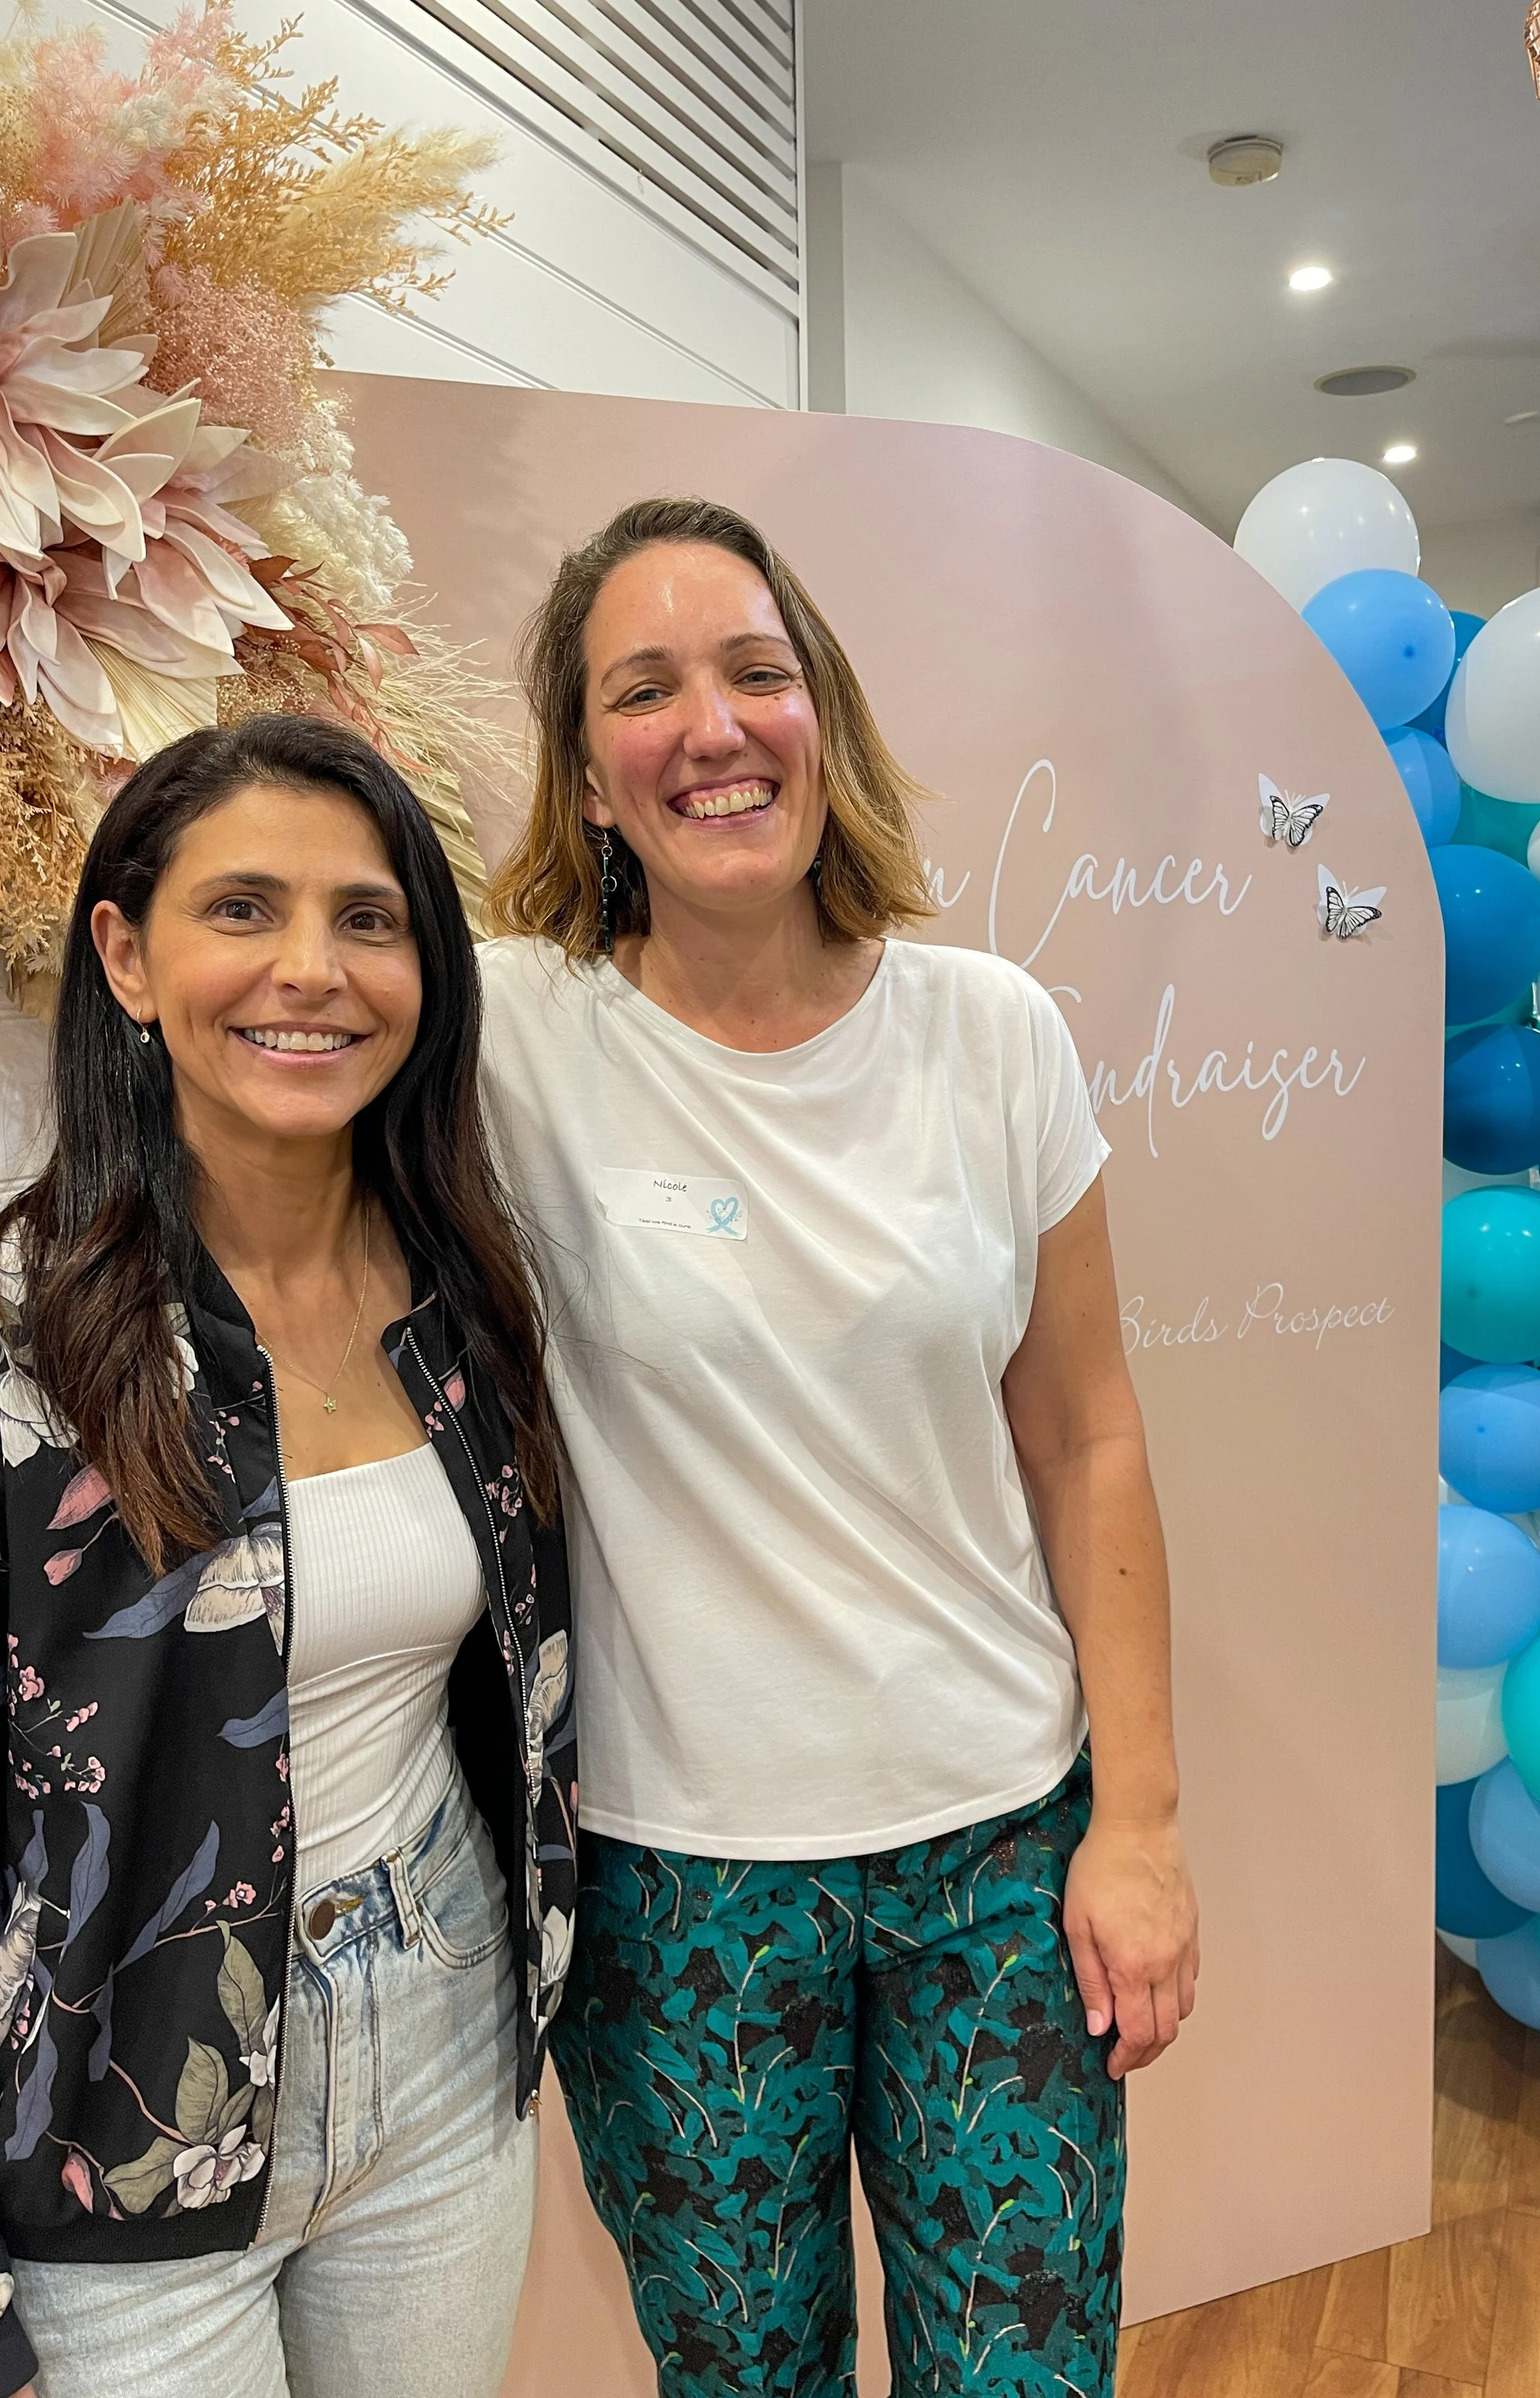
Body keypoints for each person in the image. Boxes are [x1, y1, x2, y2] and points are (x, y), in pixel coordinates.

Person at [476, 496, 1199, 2397]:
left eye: (755, 672)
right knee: (743, 2377)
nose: (712, 727)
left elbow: (1087, 1437)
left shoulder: (993, 1034)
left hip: (997, 1843)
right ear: (587, 774)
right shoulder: (507, 1040)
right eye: (644, 690)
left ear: (823, 717)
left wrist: (1138, 1824)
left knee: (1024, 2369)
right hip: (675, 1884)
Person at [0, 716, 573, 2398]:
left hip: (439, 2035)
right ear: (126, 957)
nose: (312, 969)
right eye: (242, 908)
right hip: (118, 2117)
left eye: (368, 918)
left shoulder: (468, 1296)